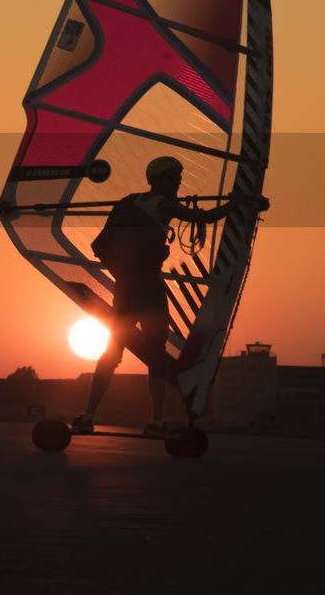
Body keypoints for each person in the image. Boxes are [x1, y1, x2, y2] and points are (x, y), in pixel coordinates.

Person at [79, 156, 267, 438]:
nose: (176, 185)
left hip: (126, 289)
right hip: (148, 291)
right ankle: (153, 420)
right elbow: (203, 218)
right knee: (153, 355)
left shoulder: (129, 201)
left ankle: (89, 414)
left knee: (113, 352)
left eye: (178, 180)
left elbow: (105, 243)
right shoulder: (162, 205)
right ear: (156, 181)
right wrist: (238, 203)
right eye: (171, 180)